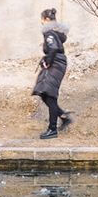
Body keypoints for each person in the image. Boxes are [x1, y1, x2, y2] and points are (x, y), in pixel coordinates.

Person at [32, 8, 72, 140]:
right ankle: (63, 116)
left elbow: (53, 48)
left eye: (42, 20)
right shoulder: (55, 33)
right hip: (57, 63)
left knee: (50, 95)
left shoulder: (49, 33)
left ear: (47, 20)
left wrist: (48, 61)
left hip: (55, 63)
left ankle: (52, 129)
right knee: (43, 92)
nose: (41, 23)